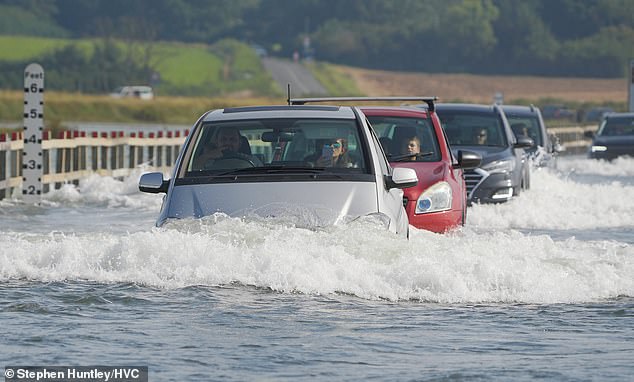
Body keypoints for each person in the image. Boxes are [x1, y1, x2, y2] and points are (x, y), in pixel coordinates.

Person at [193, 127, 260, 169]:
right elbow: (192, 170)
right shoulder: (207, 160)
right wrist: (208, 155)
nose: (228, 143)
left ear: (240, 143)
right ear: (216, 142)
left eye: (232, 139)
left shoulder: (252, 160)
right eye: (223, 139)